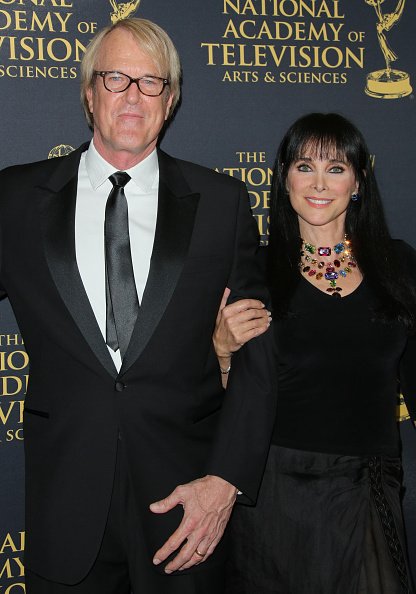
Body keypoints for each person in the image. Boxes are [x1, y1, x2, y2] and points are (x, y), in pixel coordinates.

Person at [0, 17, 276, 594]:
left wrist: (226, 480)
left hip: (186, 505)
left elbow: (257, 352)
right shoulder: (16, 199)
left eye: (151, 82)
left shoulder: (222, 203)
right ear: (88, 92)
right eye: (116, 77)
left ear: (170, 101)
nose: (133, 95)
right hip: (65, 502)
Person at [214, 113, 416, 594]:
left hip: (369, 488)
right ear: (284, 180)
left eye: (337, 168)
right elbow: (234, 402)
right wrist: (222, 352)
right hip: (277, 492)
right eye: (305, 167)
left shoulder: (399, 263)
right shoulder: (255, 271)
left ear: (358, 181)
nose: (319, 183)